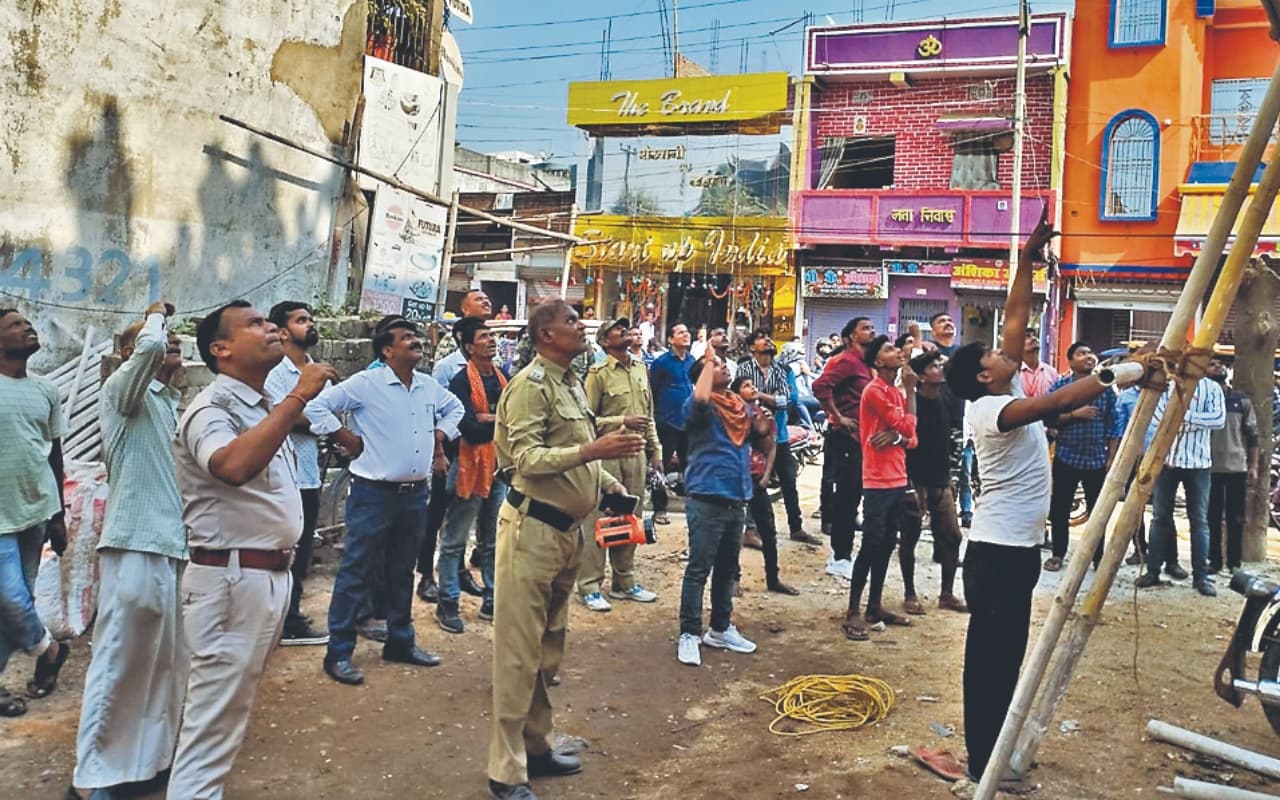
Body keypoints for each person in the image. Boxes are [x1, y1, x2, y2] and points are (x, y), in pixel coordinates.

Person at [942, 213, 1128, 785]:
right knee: (990, 663)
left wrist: (1025, 260)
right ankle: (983, 765)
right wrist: (1118, 374)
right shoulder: (991, 409)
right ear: (983, 375)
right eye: (995, 355)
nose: (1008, 352)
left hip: (1015, 549)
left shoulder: (1006, 384)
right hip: (997, 552)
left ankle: (996, 754)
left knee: (1006, 659)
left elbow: (1017, 316)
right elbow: (1051, 407)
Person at [168, 301, 339, 798]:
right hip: (230, 581)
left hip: (262, 580)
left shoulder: (260, 406)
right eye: (256, 324)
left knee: (226, 720)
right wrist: (297, 399)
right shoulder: (212, 408)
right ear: (221, 350)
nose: (271, 328)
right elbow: (231, 465)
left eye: (270, 321)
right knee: (210, 730)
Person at [488, 299, 642, 800]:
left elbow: (573, 448)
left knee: (547, 649)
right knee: (518, 653)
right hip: (531, 530)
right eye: (571, 322)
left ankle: (537, 746)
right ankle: (506, 771)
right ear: (546, 336)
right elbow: (528, 459)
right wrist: (593, 451)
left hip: (567, 534)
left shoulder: (571, 380)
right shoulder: (528, 387)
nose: (582, 328)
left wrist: (605, 481)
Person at [307, 317, 464, 685]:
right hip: (373, 494)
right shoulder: (367, 383)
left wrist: (440, 436)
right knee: (356, 570)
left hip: (414, 494)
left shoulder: (426, 386)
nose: (416, 342)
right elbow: (316, 406)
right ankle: (339, 652)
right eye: (406, 338)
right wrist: (344, 435)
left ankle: (400, 641)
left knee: (401, 571)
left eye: (416, 337)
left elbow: (456, 409)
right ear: (387, 350)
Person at [72, 303, 186, 797]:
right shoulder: (122, 393)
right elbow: (153, 345)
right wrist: (154, 315)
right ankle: (94, 776)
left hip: (170, 545)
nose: (171, 342)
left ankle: (146, 763)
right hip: (134, 539)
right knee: (120, 658)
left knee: (163, 663)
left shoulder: (168, 402)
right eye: (163, 337)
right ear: (127, 353)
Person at [676, 354, 770, 667]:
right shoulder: (698, 405)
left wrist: (763, 424)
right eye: (714, 366)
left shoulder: (738, 405)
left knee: (727, 569)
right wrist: (707, 359)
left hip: (737, 496)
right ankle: (689, 633)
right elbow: (700, 396)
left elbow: (758, 437)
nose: (723, 366)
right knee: (699, 569)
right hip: (707, 496)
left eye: (722, 363)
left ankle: (719, 628)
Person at [0, 308, 69, 718]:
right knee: (9, 599)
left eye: (29, 324)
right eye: (14, 325)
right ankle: (49, 649)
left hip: (35, 509)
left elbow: (54, 455)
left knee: (13, 601)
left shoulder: (46, 390)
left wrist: (58, 515)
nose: (27, 328)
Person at [578, 317, 662, 613]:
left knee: (630, 517)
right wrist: (621, 421)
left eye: (627, 329)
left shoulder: (641, 368)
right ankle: (589, 585)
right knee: (601, 520)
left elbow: (648, 413)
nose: (625, 332)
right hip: (607, 455)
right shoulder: (597, 374)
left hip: (636, 453)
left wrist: (656, 451)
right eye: (618, 330)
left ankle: (624, 582)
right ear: (604, 342)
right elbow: (587, 421)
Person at [842, 336, 918, 640]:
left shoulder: (892, 392)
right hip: (877, 479)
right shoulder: (875, 391)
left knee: (886, 543)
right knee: (872, 544)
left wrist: (897, 438)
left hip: (896, 477)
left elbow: (911, 439)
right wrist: (911, 390)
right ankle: (853, 611)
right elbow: (911, 428)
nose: (897, 352)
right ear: (877, 362)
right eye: (889, 350)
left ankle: (873, 606)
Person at [420, 288, 493, 604]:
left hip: (483, 454)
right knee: (438, 513)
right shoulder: (450, 364)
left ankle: (460, 573)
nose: (486, 302)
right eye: (479, 299)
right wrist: (438, 449)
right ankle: (426, 575)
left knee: (468, 517)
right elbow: (440, 408)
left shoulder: (493, 365)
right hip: (451, 450)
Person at [263, 301, 330, 646]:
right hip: (282, 473)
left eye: (311, 318)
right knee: (278, 551)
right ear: (284, 331)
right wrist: (325, 424)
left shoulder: (315, 369)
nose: (311, 324)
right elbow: (288, 416)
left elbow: (323, 414)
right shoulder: (275, 372)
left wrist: (320, 422)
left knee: (302, 552)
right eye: (302, 320)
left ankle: (290, 617)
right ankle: (277, 621)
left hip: (309, 473)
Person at [436, 318, 508, 633]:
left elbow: (513, 420)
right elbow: (469, 428)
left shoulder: (504, 378)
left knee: (493, 540)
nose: (491, 340)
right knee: (455, 540)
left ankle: (492, 599)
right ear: (469, 346)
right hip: (467, 467)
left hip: (498, 469)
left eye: (491, 335)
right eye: (484, 336)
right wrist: (500, 420)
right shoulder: (460, 382)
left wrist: (487, 417)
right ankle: (448, 601)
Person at [1135, 374, 1227, 596]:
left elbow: (1218, 420)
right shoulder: (1166, 386)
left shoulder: (1212, 387)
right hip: (1166, 462)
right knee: (1160, 517)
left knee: (1199, 521)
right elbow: (1159, 418)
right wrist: (1192, 418)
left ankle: (1201, 577)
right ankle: (1153, 571)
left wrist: (1181, 415)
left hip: (1198, 463)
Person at [736, 330, 820, 545]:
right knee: (755, 481)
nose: (768, 340)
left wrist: (759, 396)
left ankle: (796, 527)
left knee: (789, 481)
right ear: (752, 347)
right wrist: (771, 398)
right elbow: (739, 397)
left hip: (779, 434)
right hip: (752, 435)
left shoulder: (782, 369)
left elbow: (787, 401)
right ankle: (751, 530)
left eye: (768, 338)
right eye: (762, 338)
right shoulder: (744, 368)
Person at [812, 317, 877, 579]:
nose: (871, 331)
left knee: (854, 497)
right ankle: (840, 556)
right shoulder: (847, 360)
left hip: (863, 438)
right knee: (846, 499)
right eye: (865, 328)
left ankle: (844, 551)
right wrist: (837, 417)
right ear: (850, 336)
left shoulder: (866, 363)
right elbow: (820, 386)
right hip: (846, 438)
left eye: (872, 327)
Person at [1045, 342, 1116, 572]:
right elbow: (1048, 417)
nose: (1088, 356)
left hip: (1096, 459)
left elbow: (1113, 426)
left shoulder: (1106, 387)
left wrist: (1111, 457)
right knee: (1060, 508)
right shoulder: (1061, 386)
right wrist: (1075, 414)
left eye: (1090, 352)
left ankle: (1097, 558)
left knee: (1097, 511)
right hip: (1067, 457)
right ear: (1071, 362)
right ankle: (1058, 554)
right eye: (1081, 353)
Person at [906, 350, 968, 613]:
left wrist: (952, 477)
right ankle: (910, 593)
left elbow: (952, 437)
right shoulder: (913, 404)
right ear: (921, 376)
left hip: (941, 479)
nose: (939, 369)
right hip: (917, 479)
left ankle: (947, 594)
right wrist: (909, 484)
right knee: (910, 537)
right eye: (933, 367)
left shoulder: (946, 398)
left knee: (952, 537)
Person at [732, 376, 799, 595]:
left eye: (753, 385)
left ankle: (773, 577)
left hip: (755, 478)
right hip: (735, 480)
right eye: (746, 386)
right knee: (732, 533)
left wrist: (766, 475)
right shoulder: (731, 414)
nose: (753, 389)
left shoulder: (764, 415)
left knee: (768, 531)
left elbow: (771, 447)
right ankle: (734, 579)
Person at [1207, 358, 1259, 574]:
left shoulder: (1241, 400)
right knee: (1211, 516)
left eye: (1221, 364)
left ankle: (1234, 563)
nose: (1218, 366)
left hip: (1237, 467)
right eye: (1212, 363)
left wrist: (1253, 466)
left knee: (1236, 517)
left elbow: (1253, 436)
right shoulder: (1201, 399)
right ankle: (1214, 561)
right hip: (1208, 468)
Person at [650, 321, 695, 489]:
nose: (686, 335)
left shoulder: (692, 361)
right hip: (666, 421)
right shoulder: (661, 362)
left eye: (687, 332)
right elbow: (653, 390)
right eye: (680, 332)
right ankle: (659, 507)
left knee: (689, 464)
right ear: (670, 339)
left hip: (688, 421)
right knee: (661, 464)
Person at [1020, 329, 1057, 398]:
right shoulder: (1013, 373)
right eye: (1027, 336)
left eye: (1035, 336)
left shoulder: (1051, 372)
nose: (1034, 338)